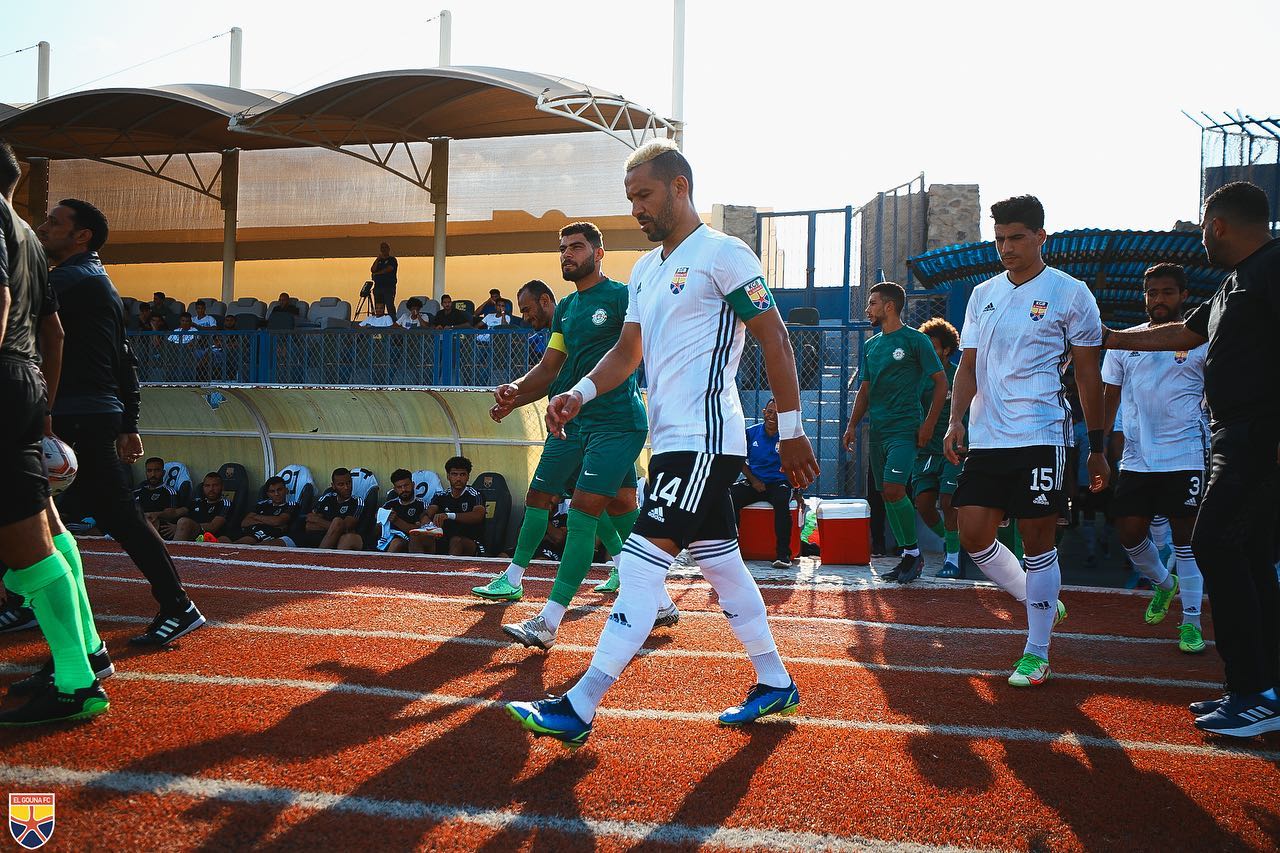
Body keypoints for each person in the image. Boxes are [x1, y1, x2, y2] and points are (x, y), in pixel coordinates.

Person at [506, 138, 819, 747]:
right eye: (630, 198)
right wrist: (579, 394)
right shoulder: (645, 270)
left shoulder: (724, 254)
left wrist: (792, 429)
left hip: (707, 438)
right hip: (672, 439)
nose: (637, 209)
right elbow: (628, 353)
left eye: (645, 195)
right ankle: (775, 680)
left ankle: (580, 704)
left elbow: (775, 339)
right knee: (721, 564)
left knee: (639, 562)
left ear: (680, 187)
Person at [1100, 181, 1280, 738]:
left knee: (1214, 543)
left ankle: (1254, 692)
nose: (1202, 238)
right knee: (1250, 556)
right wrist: (1109, 337)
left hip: (1259, 436)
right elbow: (1180, 332)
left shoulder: (1273, 268)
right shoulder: (1232, 284)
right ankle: (1262, 688)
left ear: (1218, 225)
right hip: (1234, 435)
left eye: (1204, 228)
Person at [944, 194, 1108, 689]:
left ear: (1041, 237)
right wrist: (956, 421)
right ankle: (1039, 600)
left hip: (1042, 434)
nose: (1007, 248)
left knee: (1038, 543)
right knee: (972, 534)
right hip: (988, 437)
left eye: (1016, 238)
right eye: (1000, 239)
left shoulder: (1071, 293)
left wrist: (1097, 447)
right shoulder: (983, 294)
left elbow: (1088, 375)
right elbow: (968, 365)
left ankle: (1037, 651)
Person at [474, 224, 661, 652]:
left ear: (599, 252)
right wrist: (515, 391)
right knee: (619, 506)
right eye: (562, 249)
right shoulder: (567, 308)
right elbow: (549, 367)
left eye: (576, 247)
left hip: (615, 421)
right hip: (572, 422)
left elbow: (634, 352)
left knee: (581, 512)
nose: (566, 255)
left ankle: (548, 621)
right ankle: (659, 598)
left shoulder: (622, 296)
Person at [36, 197, 205, 646]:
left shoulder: (70, 280)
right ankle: (24, 601)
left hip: (76, 414)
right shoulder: (92, 279)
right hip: (85, 412)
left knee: (110, 514)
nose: (42, 227)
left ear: (82, 235)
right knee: (75, 511)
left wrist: (126, 419)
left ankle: (177, 606)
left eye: (53, 222)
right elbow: (124, 358)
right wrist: (129, 420)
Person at [0, 142, 112, 724]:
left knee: (25, 545)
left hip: (3, 379)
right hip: (24, 382)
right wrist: (42, 408)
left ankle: (76, 682)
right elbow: (55, 333)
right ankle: (87, 652)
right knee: (46, 524)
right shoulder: (26, 235)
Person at [1101, 262, 1207, 653]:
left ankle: (1191, 622)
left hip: (1185, 454)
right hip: (1137, 458)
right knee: (1129, 534)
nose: (1159, 299)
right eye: (1152, 293)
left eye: (1167, 292)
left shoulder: (1200, 340)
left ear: (1184, 296)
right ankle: (1165, 583)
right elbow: (1110, 395)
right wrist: (1098, 448)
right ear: (1144, 297)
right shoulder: (1124, 341)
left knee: (1187, 540)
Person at [841, 282, 946, 584]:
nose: (867, 309)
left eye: (872, 303)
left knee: (894, 488)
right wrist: (851, 425)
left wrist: (928, 425)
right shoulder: (871, 345)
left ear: (889, 306)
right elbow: (865, 389)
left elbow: (941, 383)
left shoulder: (915, 340)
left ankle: (916, 553)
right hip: (878, 431)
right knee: (886, 494)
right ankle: (909, 555)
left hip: (905, 428)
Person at [909, 318, 964, 578]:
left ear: (947, 349)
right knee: (923, 505)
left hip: (953, 449)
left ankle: (952, 558)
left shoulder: (959, 375)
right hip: (925, 451)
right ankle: (951, 540)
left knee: (948, 500)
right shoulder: (919, 377)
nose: (929, 352)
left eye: (934, 347)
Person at [730, 399, 797, 569]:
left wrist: (798, 492)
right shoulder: (751, 433)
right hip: (755, 482)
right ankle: (732, 553)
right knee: (730, 496)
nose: (772, 416)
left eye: (777, 413)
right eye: (769, 412)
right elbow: (738, 459)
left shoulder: (788, 437)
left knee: (781, 501)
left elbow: (797, 465)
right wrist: (754, 480)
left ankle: (783, 555)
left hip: (779, 482)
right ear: (763, 412)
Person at [424, 456, 487, 557]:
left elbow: (478, 515)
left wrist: (449, 515)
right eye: (454, 474)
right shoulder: (441, 495)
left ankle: (451, 568)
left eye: (462, 474)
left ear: (468, 477)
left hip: (470, 541)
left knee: (456, 541)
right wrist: (427, 522)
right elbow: (428, 513)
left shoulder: (475, 494)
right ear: (448, 476)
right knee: (417, 538)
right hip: (444, 539)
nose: (458, 479)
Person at [301, 468, 364, 550]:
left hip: (349, 539)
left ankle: (320, 555)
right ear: (333, 486)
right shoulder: (327, 497)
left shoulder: (357, 501)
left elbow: (346, 527)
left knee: (338, 522)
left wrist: (318, 521)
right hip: (325, 537)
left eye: (348, 483)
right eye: (341, 484)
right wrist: (334, 528)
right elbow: (309, 524)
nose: (346, 487)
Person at [231, 476, 295, 547]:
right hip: (249, 531)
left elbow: (278, 521)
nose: (276, 494)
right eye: (272, 491)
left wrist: (255, 517)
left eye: (279, 490)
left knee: (242, 543)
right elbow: (245, 522)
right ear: (268, 494)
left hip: (266, 533)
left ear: (286, 490)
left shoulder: (291, 505)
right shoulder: (262, 504)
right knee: (225, 539)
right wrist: (269, 522)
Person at [376, 468, 428, 553]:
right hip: (388, 542)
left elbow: (423, 530)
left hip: (412, 543)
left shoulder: (422, 505)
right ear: (395, 489)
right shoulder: (388, 505)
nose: (403, 490)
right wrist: (380, 519)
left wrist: (396, 521)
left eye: (406, 485)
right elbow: (377, 531)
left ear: (413, 484)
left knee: (397, 543)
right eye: (399, 487)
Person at [172, 472, 231, 542]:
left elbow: (213, 526)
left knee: (184, 523)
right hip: (191, 536)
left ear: (222, 487)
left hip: (210, 537)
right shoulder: (197, 502)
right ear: (203, 487)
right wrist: (160, 514)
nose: (211, 489)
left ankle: (173, 549)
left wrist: (183, 527)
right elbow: (176, 512)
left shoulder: (225, 503)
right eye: (207, 486)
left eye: (215, 485)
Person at [133, 456, 176, 532]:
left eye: (157, 470)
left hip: (157, 529)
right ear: (146, 473)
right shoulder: (137, 492)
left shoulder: (169, 492)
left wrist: (155, 514)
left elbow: (171, 515)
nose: (153, 474)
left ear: (163, 472)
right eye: (149, 471)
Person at [370, 242, 398, 310]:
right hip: (378, 287)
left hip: (388, 287)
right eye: (382, 248)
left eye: (385, 248)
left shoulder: (392, 259)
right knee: (378, 307)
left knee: (390, 306)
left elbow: (389, 269)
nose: (383, 249)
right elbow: (373, 269)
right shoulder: (379, 260)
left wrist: (377, 274)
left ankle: (392, 317)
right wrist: (377, 260)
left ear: (388, 249)